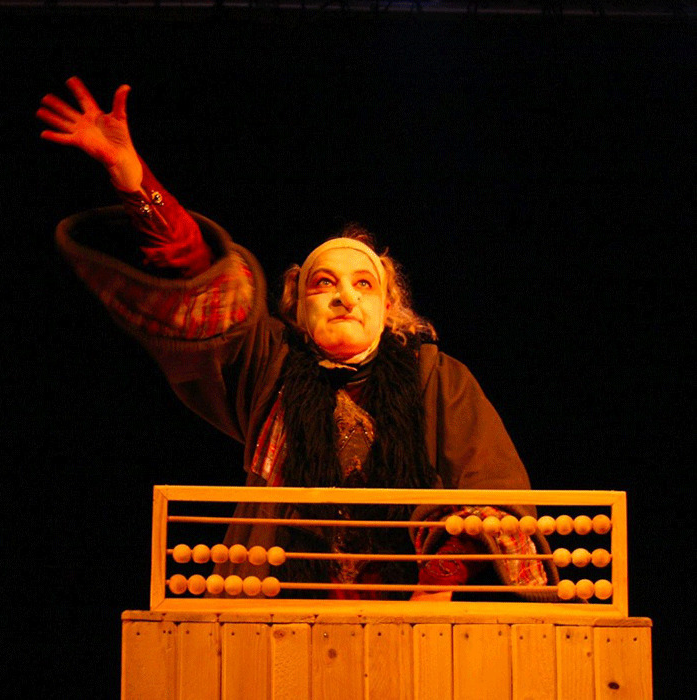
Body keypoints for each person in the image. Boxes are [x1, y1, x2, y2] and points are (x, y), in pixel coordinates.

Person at [38, 77, 557, 601]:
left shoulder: (438, 378)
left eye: (364, 285)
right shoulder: (270, 363)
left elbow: (492, 488)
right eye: (323, 283)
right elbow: (198, 276)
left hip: (410, 613)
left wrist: (446, 569)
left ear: (388, 309)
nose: (345, 297)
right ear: (297, 309)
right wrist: (134, 180)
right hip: (277, 609)